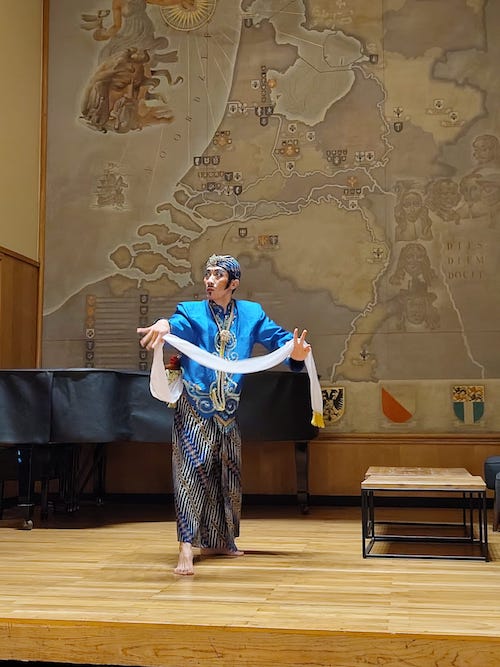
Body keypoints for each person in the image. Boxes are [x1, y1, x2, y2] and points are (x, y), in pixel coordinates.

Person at [137, 254, 312, 575]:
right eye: (207, 274)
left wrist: (296, 353)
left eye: (217, 275)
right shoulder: (191, 312)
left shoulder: (251, 314)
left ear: (233, 284)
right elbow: (174, 325)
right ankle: (186, 547)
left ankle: (219, 541)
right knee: (191, 472)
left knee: (227, 474)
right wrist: (164, 325)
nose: (209, 280)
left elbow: (280, 340)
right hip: (195, 406)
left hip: (228, 411)